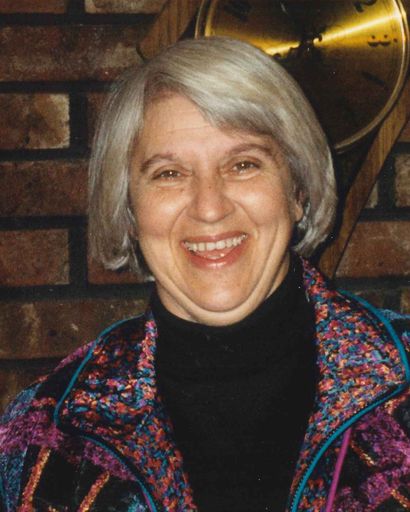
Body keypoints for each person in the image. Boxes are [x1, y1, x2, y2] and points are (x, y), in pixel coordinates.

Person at [1, 36, 409, 512]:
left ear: (297, 192)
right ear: (129, 211)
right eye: (169, 173)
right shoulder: (44, 435)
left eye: (243, 164)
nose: (210, 208)